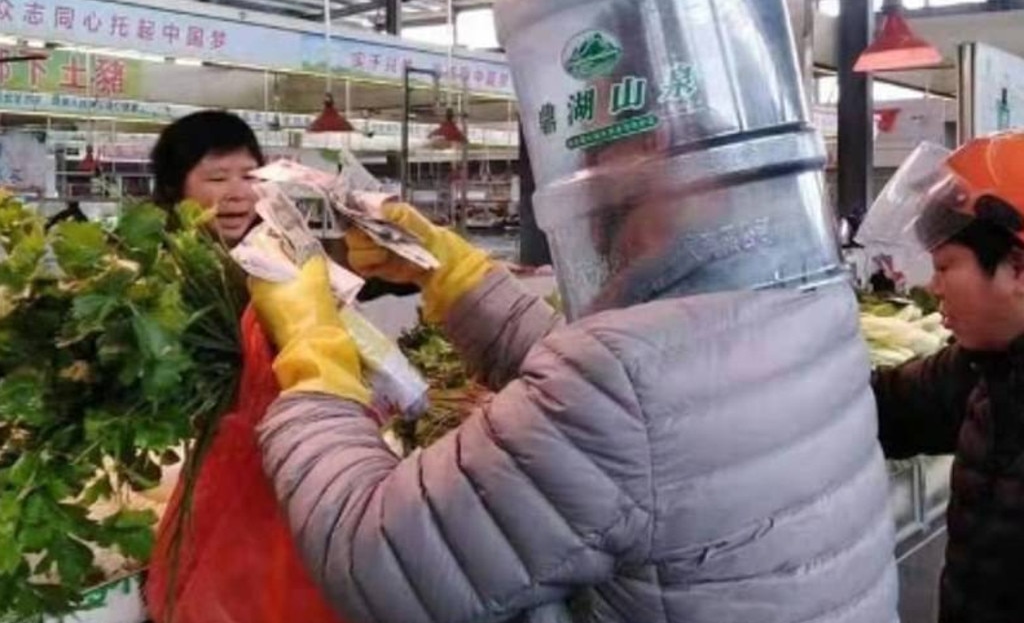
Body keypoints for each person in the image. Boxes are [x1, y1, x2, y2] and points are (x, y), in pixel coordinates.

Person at [248, 199, 898, 623]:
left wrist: (316, 362)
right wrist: (455, 276)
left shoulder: (630, 384)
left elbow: (374, 560)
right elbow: (635, 399)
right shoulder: (805, 309)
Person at [144, 110, 345, 623]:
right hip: (218, 474)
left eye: (249, 176)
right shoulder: (155, 274)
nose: (237, 192)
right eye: (215, 178)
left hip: (295, 464)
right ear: (174, 189)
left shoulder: (285, 260)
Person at [869, 132, 1024, 623]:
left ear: (1017, 270)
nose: (931, 288)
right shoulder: (982, 368)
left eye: (944, 266)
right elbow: (885, 408)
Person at [150, 109, 264, 245]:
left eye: (248, 177)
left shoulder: (283, 254)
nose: (238, 194)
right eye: (218, 178)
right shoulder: (137, 257)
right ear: (173, 186)